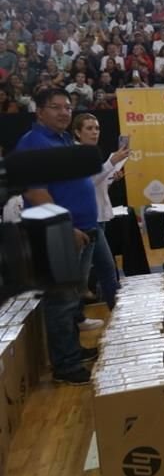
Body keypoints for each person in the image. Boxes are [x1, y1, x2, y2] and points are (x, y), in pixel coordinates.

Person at [16, 89, 102, 385]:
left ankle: (72, 350)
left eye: (67, 107)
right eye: (56, 108)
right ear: (39, 111)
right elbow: (35, 192)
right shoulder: (32, 144)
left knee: (72, 297)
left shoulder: (64, 139)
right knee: (61, 301)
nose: (64, 113)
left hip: (83, 231)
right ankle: (65, 366)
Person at [72, 114, 126, 310]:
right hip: (87, 219)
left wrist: (112, 177)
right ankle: (84, 314)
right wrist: (111, 163)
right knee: (97, 270)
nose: (95, 132)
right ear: (77, 132)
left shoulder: (90, 152)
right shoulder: (76, 153)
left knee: (102, 269)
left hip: (98, 215)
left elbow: (95, 185)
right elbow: (85, 183)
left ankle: (113, 310)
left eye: (97, 128)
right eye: (89, 128)